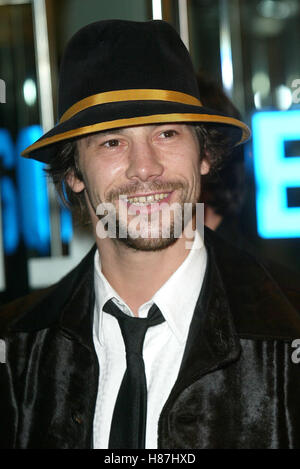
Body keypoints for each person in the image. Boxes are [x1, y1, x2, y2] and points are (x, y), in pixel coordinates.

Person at [0, 19, 300, 450]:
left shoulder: (287, 329)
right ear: (73, 173)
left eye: (167, 133)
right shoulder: (17, 350)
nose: (145, 167)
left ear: (205, 156)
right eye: (111, 143)